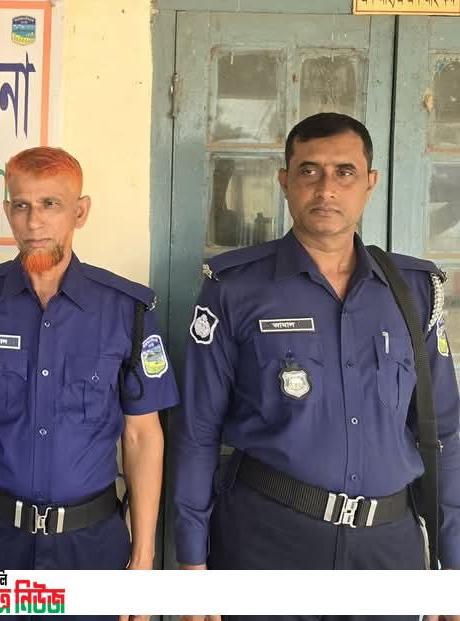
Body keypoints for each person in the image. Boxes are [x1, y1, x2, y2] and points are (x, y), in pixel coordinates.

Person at [174, 113, 460, 619]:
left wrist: (451, 563)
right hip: (268, 543)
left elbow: (445, 434)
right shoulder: (234, 288)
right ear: (285, 181)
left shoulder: (414, 291)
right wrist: (192, 561)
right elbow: (198, 431)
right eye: (309, 171)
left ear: (370, 183)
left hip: (387, 553)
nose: (326, 188)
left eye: (344, 172)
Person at [0, 147, 174, 620]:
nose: (34, 222)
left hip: (91, 550)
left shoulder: (126, 311)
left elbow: (143, 436)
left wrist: (143, 561)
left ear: (80, 212)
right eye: (21, 205)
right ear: (7, 211)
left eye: (50, 205)